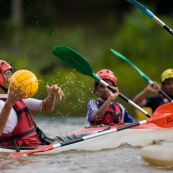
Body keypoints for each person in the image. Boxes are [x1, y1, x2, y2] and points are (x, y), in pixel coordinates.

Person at [0, 60, 82, 150]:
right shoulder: (8, 101)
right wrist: (9, 104)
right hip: (21, 147)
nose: (12, 77)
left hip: (39, 142)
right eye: (7, 74)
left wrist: (52, 94)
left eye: (11, 74)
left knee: (81, 136)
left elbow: (46, 107)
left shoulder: (16, 97)